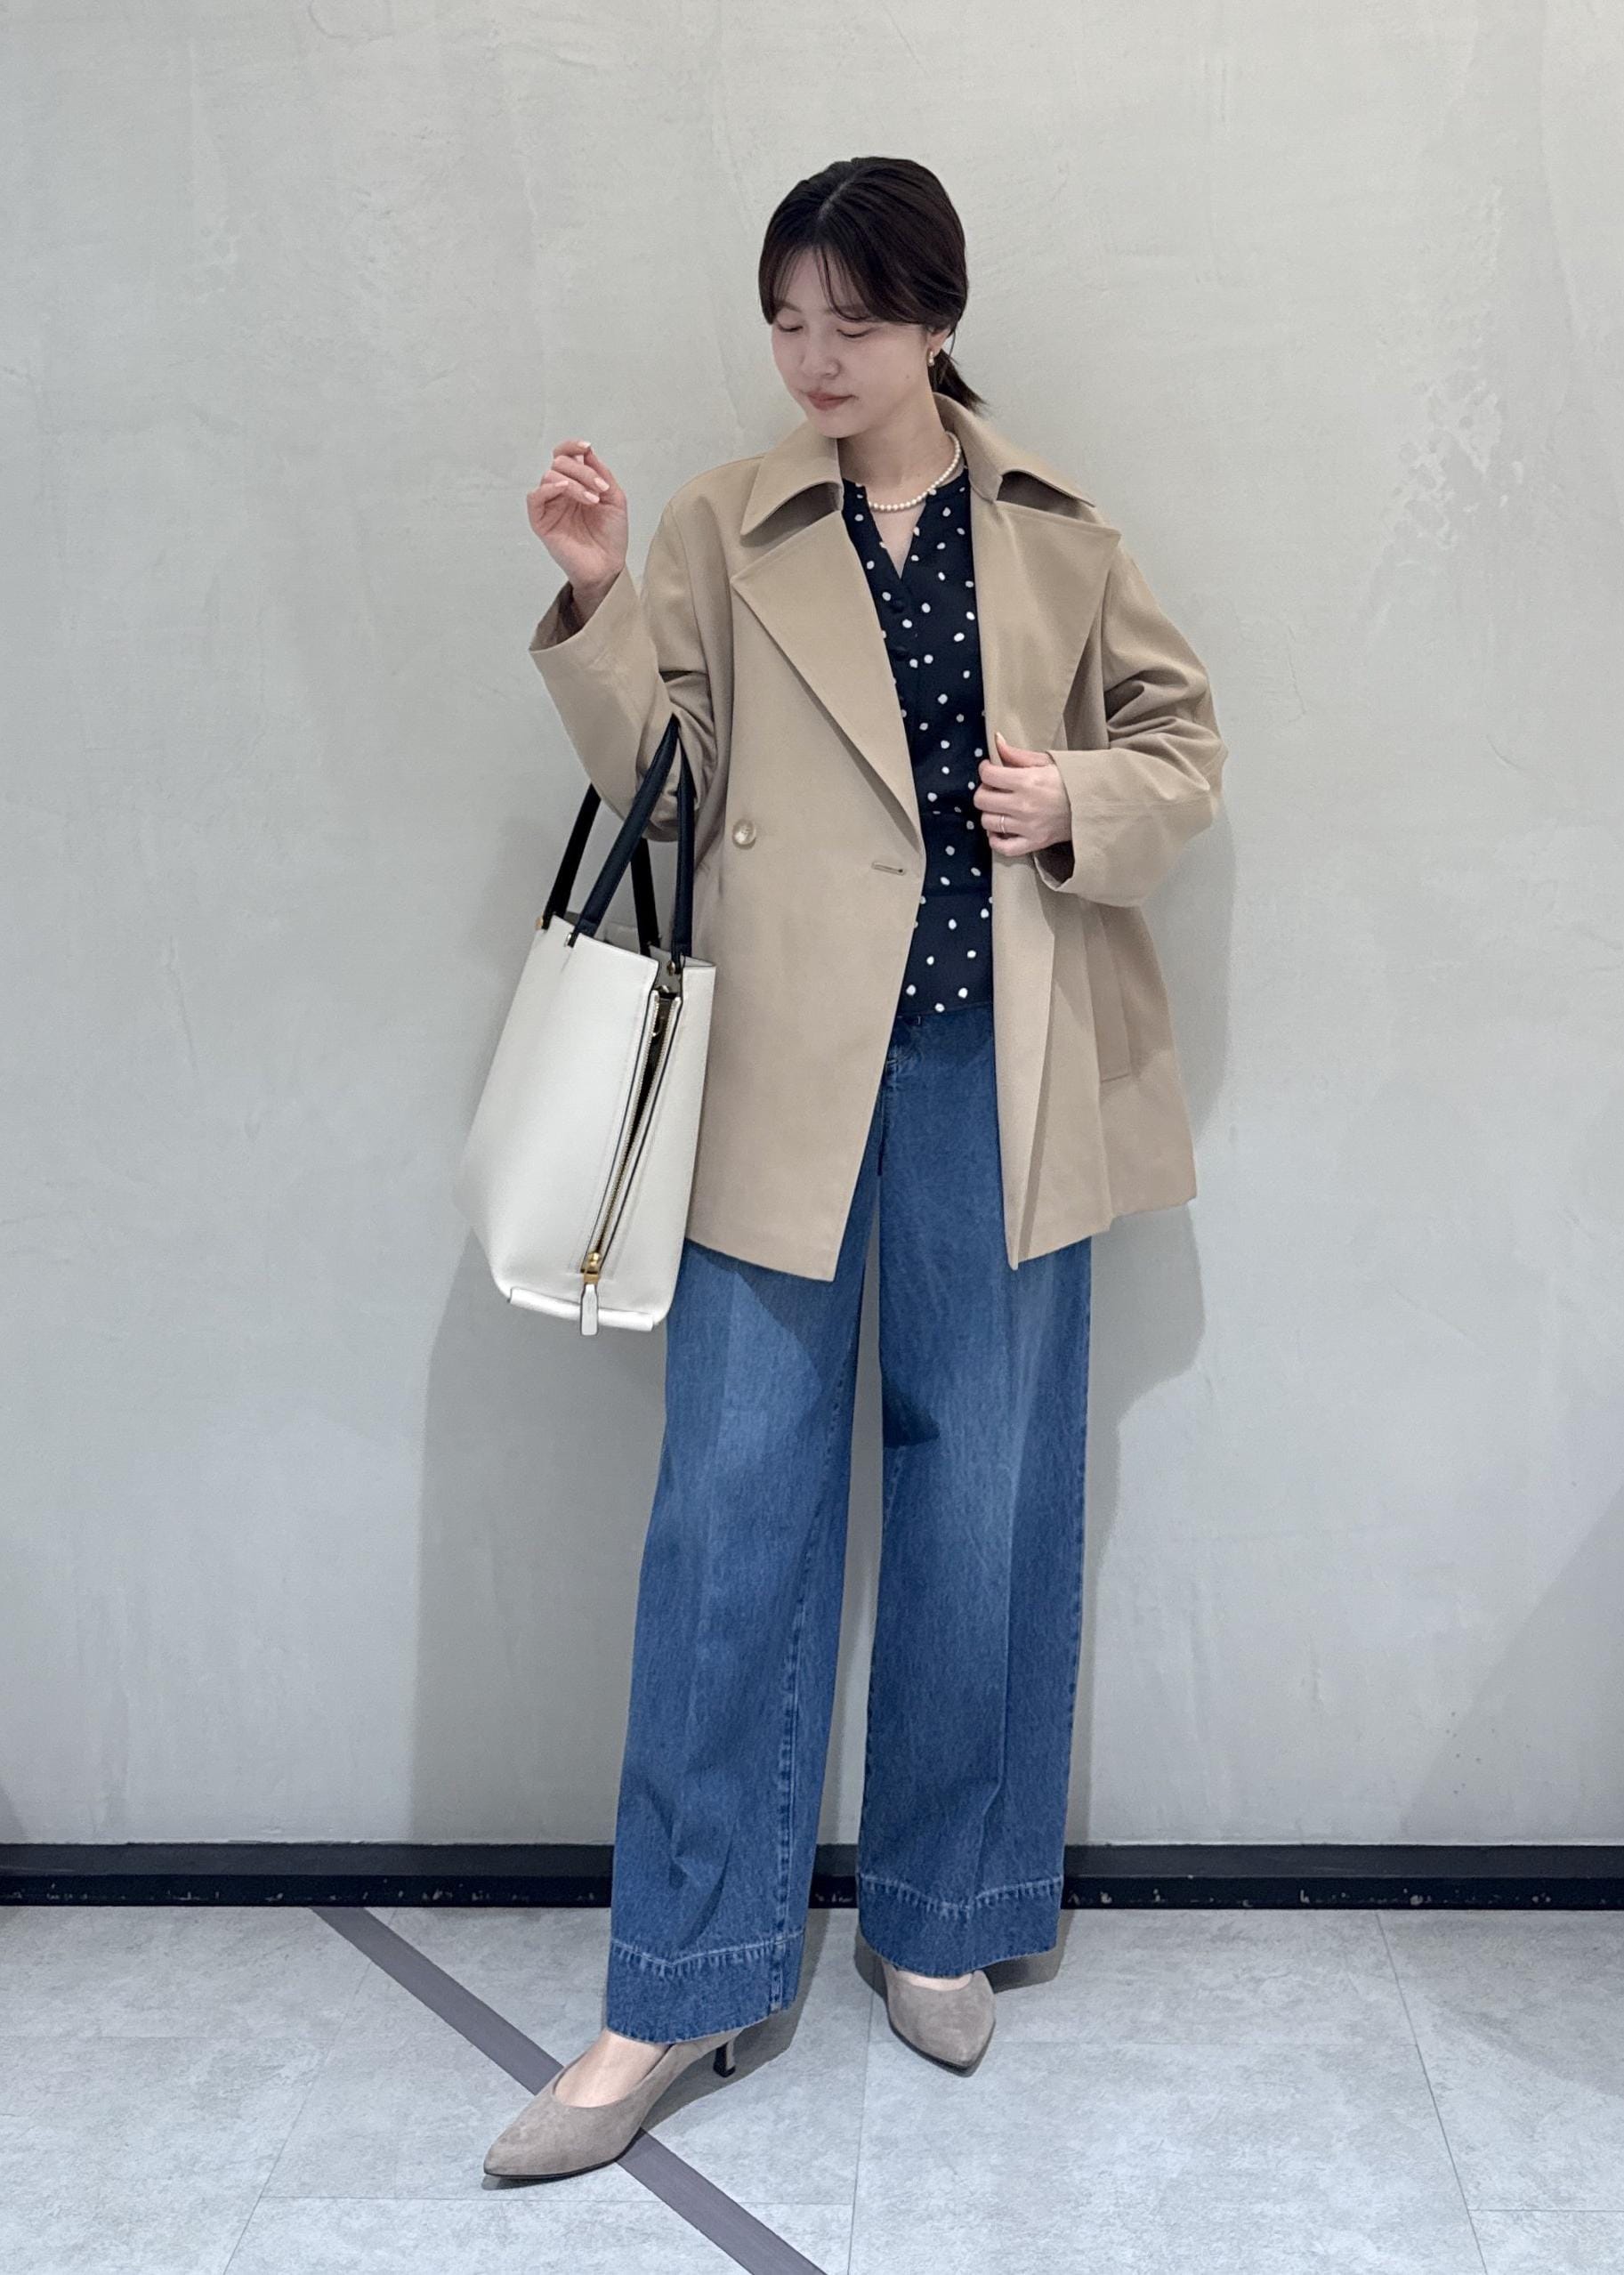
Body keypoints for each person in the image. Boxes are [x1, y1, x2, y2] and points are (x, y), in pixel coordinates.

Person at [483, 155, 1227, 2182]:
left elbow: (1184, 752)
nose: (813, 357)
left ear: (935, 322)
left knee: (983, 1490)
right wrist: (595, 594)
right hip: (777, 1078)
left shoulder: (1056, 533)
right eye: (787, 319)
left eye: (856, 321)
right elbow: (669, 785)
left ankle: (944, 1912)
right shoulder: (723, 526)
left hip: (1005, 1067)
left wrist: (1076, 799)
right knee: (729, 1511)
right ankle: (678, 1977)